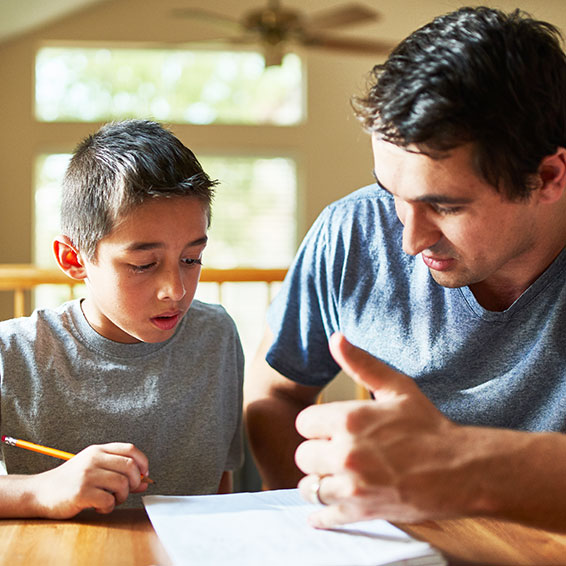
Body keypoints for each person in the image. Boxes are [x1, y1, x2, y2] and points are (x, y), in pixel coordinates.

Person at [244, 6, 566, 531]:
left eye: (446, 206)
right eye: (391, 192)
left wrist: (460, 466)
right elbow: (276, 393)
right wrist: (311, 521)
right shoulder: (350, 231)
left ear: (548, 176)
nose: (410, 240)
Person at [0, 120, 244, 519]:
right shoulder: (16, 354)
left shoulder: (215, 335)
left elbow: (218, 482)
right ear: (73, 259)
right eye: (143, 264)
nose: (176, 290)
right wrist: (38, 490)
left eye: (191, 259)